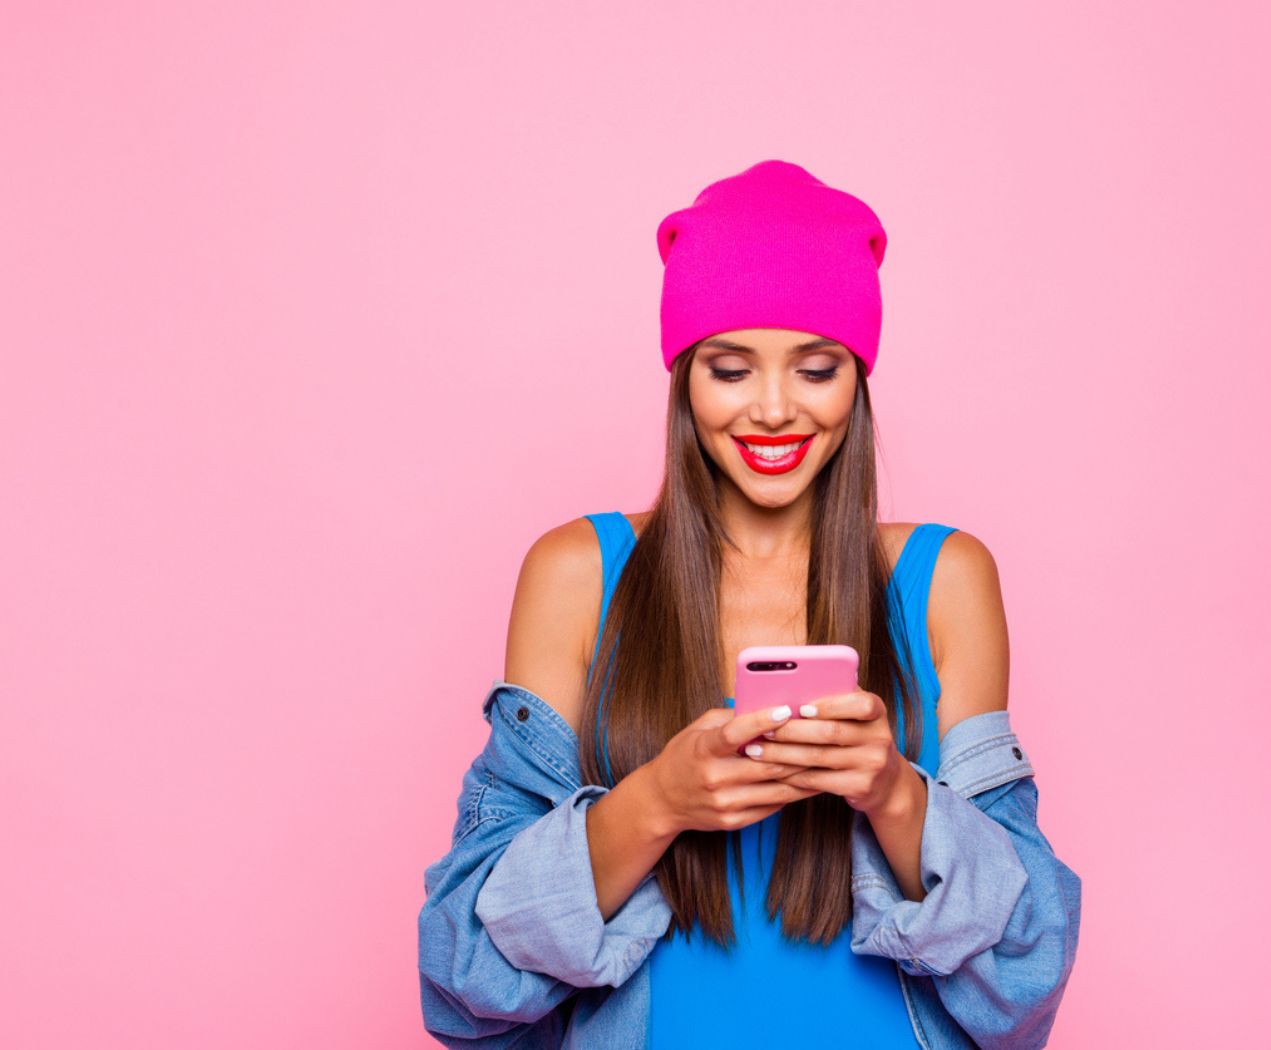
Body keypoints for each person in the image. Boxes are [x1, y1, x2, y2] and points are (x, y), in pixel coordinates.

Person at [419, 160, 1083, 1049]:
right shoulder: (579, 573)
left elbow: (1026, 974)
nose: (774, 410)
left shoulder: (942, 579)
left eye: (817, 369)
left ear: (858, 380)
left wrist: (891, 793)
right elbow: (465, 972)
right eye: (731, 370)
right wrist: (658, 801)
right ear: (685, 380)